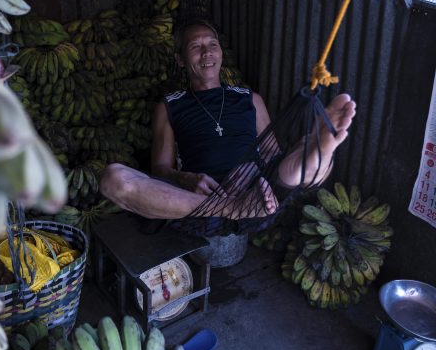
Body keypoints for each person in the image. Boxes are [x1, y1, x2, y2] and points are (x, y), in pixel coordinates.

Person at [100, 21, 356, 221]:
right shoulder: (170, 105)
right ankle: (231, 208)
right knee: (113, 179)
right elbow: (161, 170)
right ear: (180, 60)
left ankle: (318, 148)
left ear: (221, 52)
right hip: (201, 198)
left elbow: (271, 153)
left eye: (212, 44)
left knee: (294, 169)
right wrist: (188, 178)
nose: (207, 53)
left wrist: (255, 177)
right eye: (195, 47)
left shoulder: (249, 98)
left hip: (255, 190)